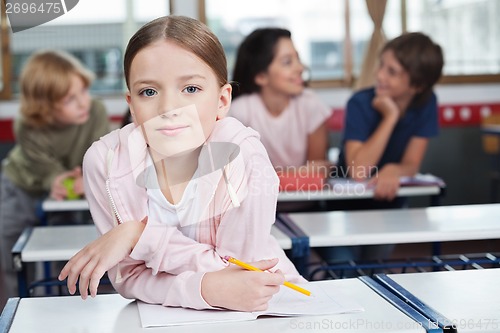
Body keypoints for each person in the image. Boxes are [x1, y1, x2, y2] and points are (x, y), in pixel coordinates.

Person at [58, 15, 305, 312]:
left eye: (190, 89)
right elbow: (128, 278)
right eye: (149, 92)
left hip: (269, 311)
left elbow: (241, 277)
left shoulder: (244, 154)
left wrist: (138, 236)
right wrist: (205, 289)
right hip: (160, 317)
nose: (169, 108)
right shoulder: (105, 161)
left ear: (222, 101)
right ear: (132, 105)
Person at [318, 32, 444, 268]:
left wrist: (394, 170)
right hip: (343, 208)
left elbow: (412, 164)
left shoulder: (427, 103)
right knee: (344, 268)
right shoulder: (360, 103)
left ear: (417, 85)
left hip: (388, 206)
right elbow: (358, 171)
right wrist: (391, 117)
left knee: (374, 268)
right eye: (382, 65)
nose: (379, 75)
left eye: (392, 72)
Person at [0, 50, 110, 307]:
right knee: (13, 249)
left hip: (71, 187)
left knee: (67, 246)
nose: (84, 102)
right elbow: (47, 172)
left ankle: (65, 305)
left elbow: (103, 152)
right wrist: (58, 180)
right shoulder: (28, 125)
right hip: (22, 186)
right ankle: (17, 306)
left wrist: (88, 176)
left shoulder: (95, 111)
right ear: (45, 106)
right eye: (71, 99)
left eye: (83, 91)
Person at [229, 28, 332, 175]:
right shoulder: (240, 111)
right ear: (260, 76)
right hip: (258, 197)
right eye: (287, 62)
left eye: (298, 59)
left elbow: (317, 171)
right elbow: (236, 173)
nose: (300, 68)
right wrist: (293, 174)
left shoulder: (310, 104)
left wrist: (273, 176)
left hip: (305, 195)